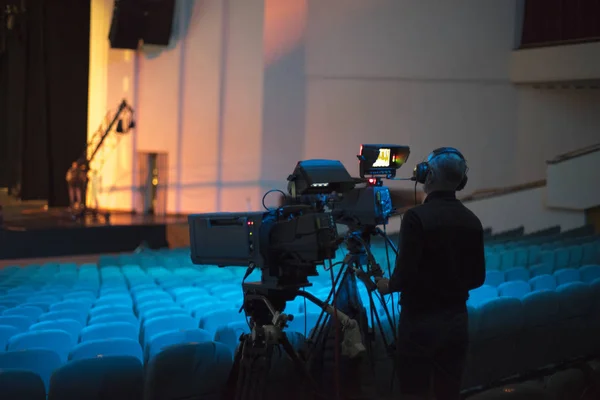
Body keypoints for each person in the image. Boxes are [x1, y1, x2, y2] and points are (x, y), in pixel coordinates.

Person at [376, 147, 486, 400]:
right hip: (457, 321)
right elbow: (478, 278)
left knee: (415, 392)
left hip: (419, 324)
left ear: (429, 175)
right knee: (448, 392)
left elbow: (403, 277)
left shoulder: (415, 217)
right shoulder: (472, 220)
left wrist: (387, 285)